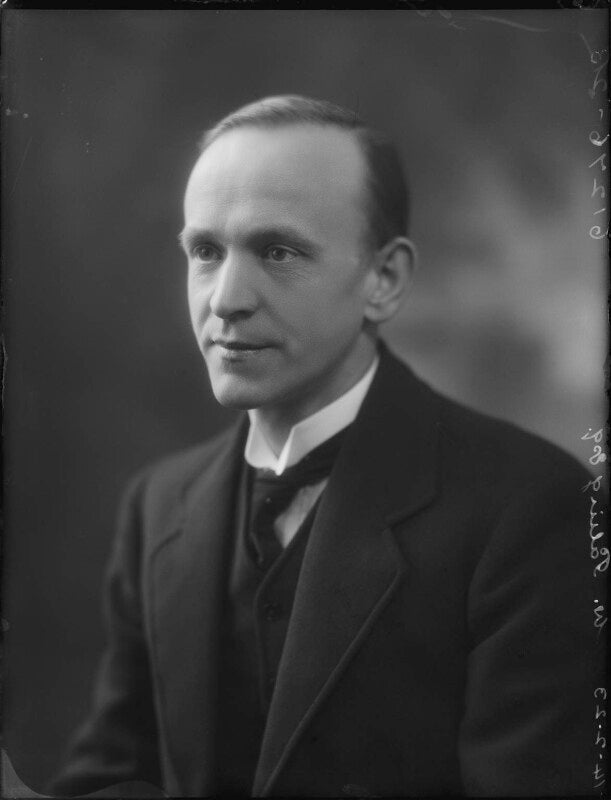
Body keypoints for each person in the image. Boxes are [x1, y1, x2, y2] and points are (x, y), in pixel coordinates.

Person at [50, 95, 601, 798]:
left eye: (278, 252)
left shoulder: (531, 509)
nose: (224, 299)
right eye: (206, 252)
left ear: (383, 280)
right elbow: (111, 775)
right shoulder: (158, 505)